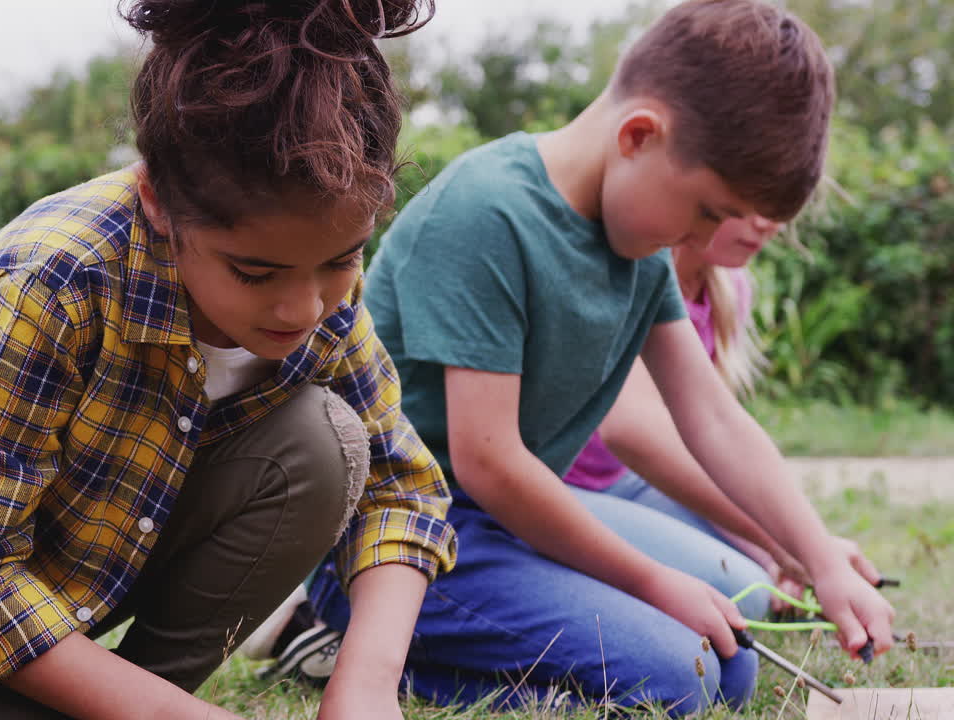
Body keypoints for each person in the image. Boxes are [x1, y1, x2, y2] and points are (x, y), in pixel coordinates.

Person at [0, 2, 456, 719]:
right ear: (157, 200)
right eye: (254, 273)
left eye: (341, 260)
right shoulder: (52, 279)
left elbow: (399, 491)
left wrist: (365, 690)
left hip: (45, 619)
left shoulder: (316, 289)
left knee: (325, 441)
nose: (303, 310)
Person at [299, 0, 894, 713]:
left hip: (506, 530)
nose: (705, 240)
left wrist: (820, 558)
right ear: (639, 135)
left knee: (728, 656)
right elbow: (488, 463)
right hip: (406, 543)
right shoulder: (489, 214)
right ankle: (349, 651)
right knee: (684, 679)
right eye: (707, 211)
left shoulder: (638, 246)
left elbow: (711, 415)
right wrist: (651, 581)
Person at [565, 215, 883, 622]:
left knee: (757, 580)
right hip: (566, 488)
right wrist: (792, 546)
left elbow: (713, 446)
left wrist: (778, 556)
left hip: (631, 485)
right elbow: (631, 432)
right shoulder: (630, 269)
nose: (767, 224)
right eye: (746, 206)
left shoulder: (729, 288)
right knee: (740, 595)